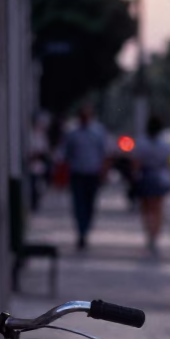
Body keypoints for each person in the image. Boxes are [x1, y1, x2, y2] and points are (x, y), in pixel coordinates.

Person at [63, 104, 109, 249]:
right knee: (78, 204)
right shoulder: (72, 133)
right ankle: (81, 231)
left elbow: (105, 153)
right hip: (77, 173)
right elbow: (66, 153)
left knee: (89, 204)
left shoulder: (98, 132)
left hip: (92, 174)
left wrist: (104, 172)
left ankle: (86, 228)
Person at [132, 115, 170, 254]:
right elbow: (169, 163)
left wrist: (135, 177)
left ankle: (150, 231)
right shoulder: (164, 144)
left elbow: (136, 162)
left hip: (145, 176)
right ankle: (155, 232)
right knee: (158, 207)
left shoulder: (141, 143)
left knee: (146, 207)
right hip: (159, 177)